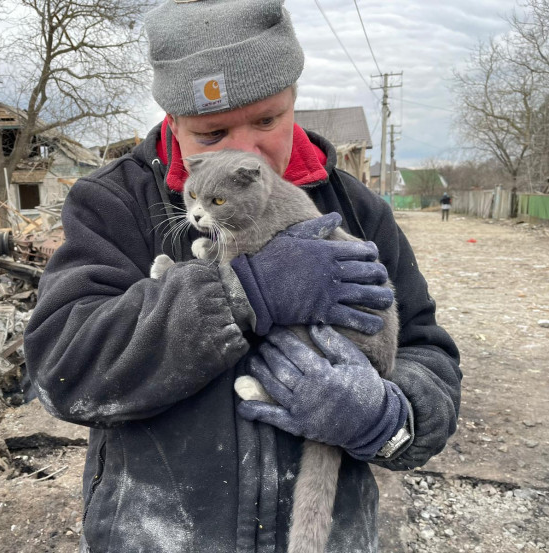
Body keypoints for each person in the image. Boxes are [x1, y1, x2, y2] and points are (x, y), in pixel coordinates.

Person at [24, 1, 461, 551]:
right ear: (174, 124)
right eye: (212, 133)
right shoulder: (114, 203)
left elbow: (430, 355)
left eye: (266, 120)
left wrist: (385, 417)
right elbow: (61, 369)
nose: (245, 152)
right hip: (156, 534)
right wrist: (239, 292)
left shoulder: (355, 208)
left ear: (293, 101)